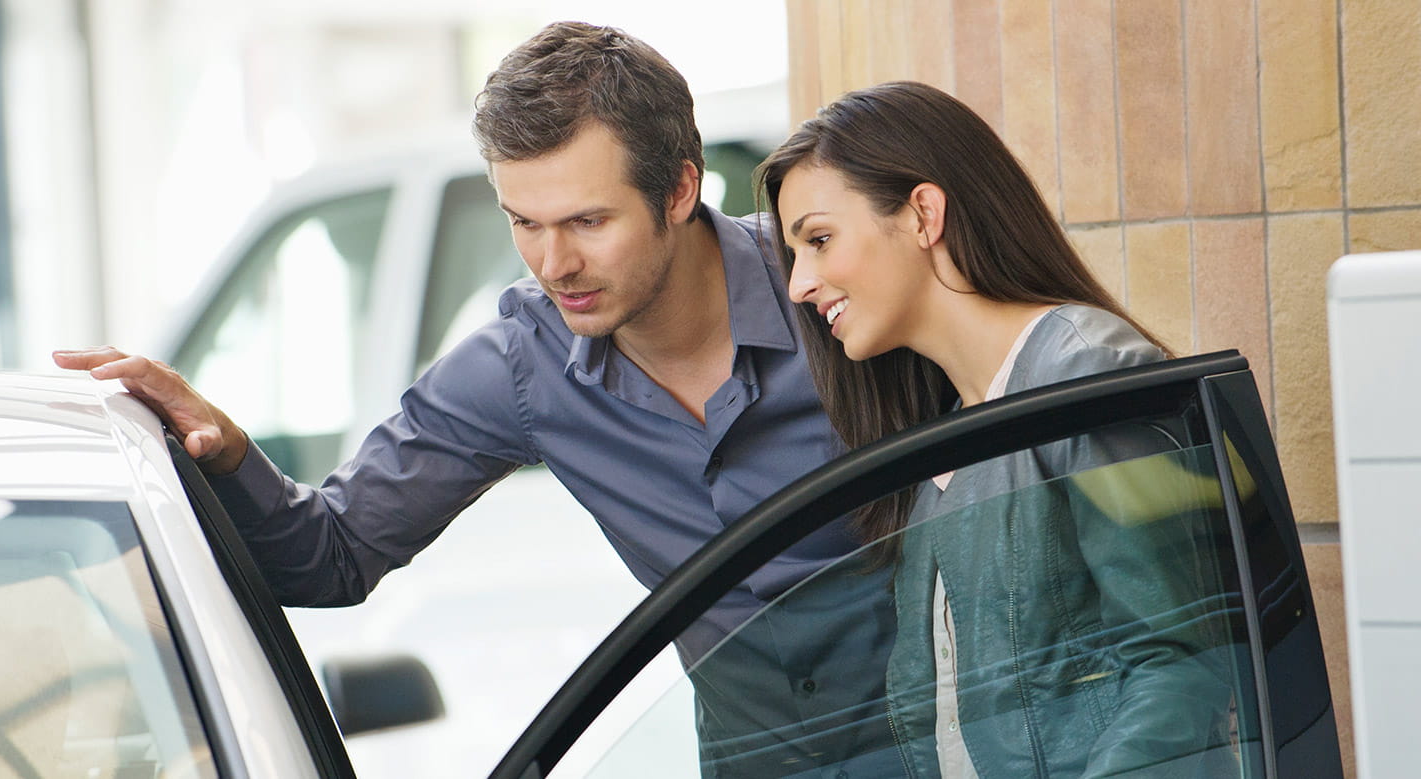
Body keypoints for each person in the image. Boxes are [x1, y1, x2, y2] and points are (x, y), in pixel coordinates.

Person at [56, 21, 892, 776]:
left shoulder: (836, 294)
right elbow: (330, 554)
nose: (553, 263)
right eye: (523, 222)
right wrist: (228, 451)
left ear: (679, 190)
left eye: (587, 222)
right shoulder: (523, 367)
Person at [764, 81, 1236, 777]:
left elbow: (1182, 666)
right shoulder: (939, 441)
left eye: (820, 240)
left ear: (923, 214)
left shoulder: (1086, 374)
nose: (799, 284)